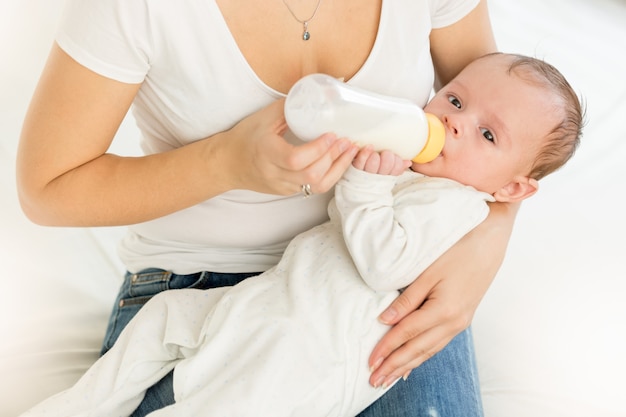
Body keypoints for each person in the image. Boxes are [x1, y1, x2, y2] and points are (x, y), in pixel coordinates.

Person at [15, 0, 512, 415]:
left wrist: (485, 244)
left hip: (379, 290)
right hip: (198, 280)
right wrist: (225, 162)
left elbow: (517, 124)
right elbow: (47, 189)